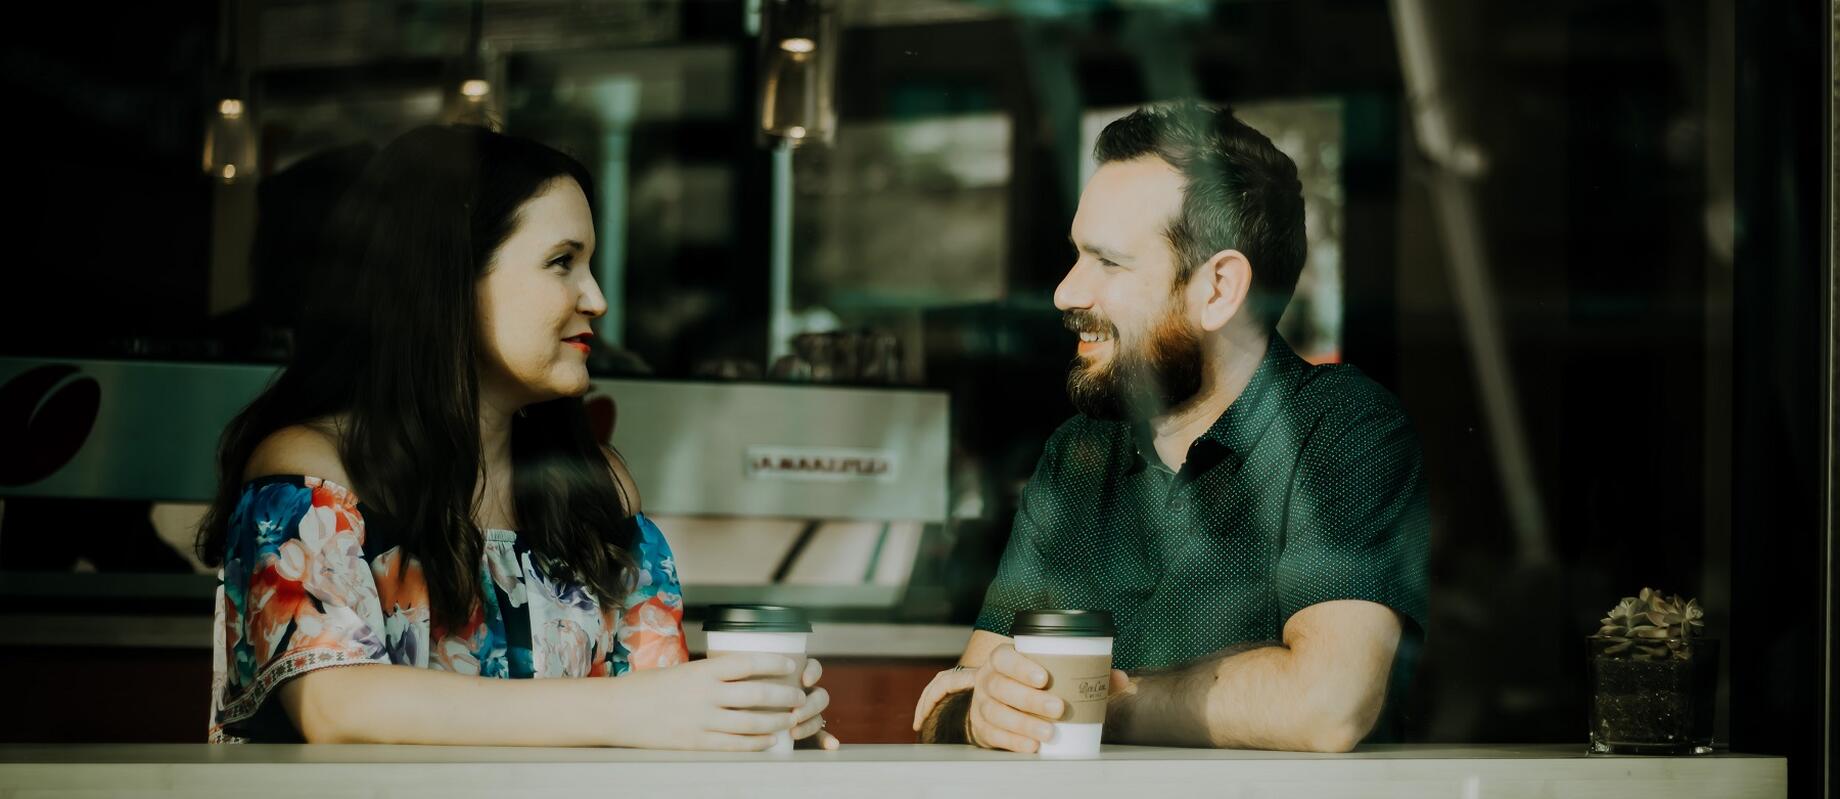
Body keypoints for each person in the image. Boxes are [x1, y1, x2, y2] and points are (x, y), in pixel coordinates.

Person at [197, 124, 836, 750]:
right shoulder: (313, 476)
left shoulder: (596, 490)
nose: (597, 298)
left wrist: (745, 717)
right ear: (449, 280)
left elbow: (659, 711)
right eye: (562, 262)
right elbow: (333, 704)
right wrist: (629, 710)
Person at [913, 101, 1429, 752]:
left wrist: (1098, 703)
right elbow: (957, 695)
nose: (1066, 293)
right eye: (1076, 256)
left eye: (1109, 262)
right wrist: (979, 712)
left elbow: (1328, 704)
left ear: (1217, 290)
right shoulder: (1079, 455)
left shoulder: (1341, 430)